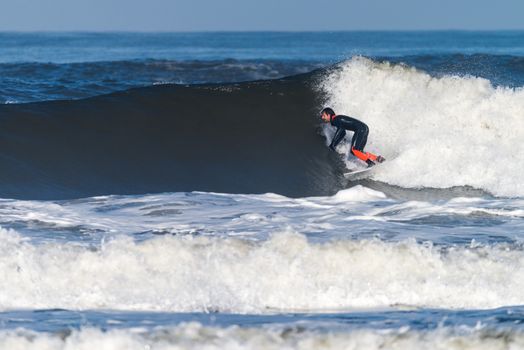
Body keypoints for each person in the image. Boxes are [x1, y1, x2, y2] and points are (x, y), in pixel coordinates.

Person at [320, 107, 385, 167]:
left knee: (354, 150)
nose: (322, 117)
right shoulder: (338, 119)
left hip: (360, 129)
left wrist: (332, 144)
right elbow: (342, 133)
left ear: (329, 115)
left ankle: (370, 163)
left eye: (323, 115)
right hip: (364, 128)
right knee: (359, 151)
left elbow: (340, 130)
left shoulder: (335, 119)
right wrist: (334, 145)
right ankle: (377, 158)